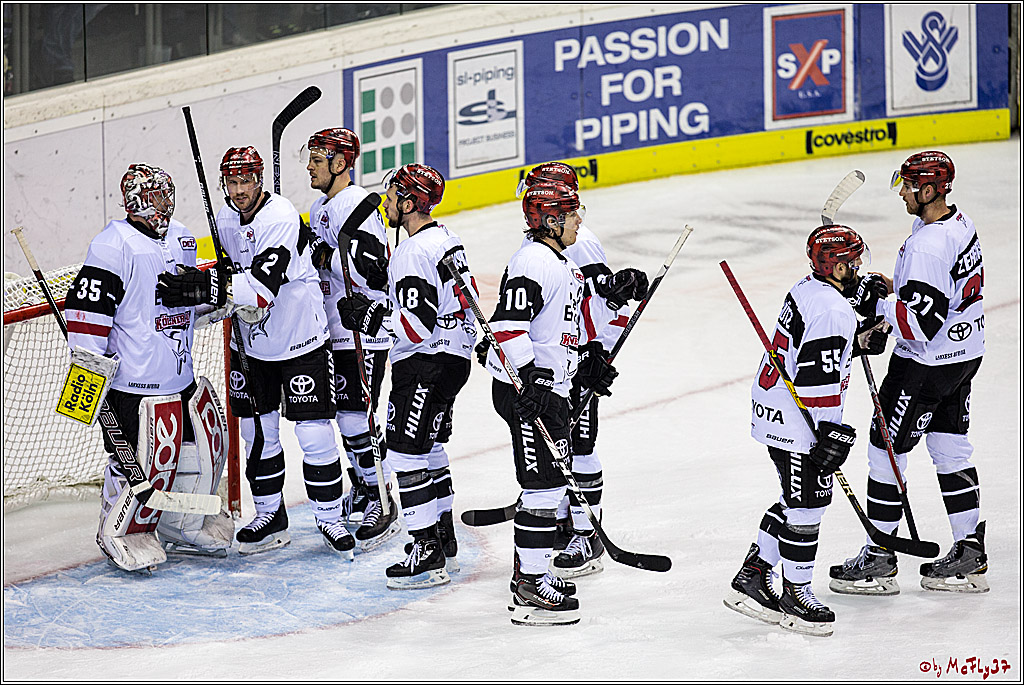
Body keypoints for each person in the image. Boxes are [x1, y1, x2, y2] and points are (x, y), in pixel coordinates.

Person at [157, 146, 351, 558]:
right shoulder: (225, 217)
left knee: (313, 432)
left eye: (247, 181)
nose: (240, 190)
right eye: (232, 182)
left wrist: (208, 289)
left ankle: (330, 518)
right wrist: (204, 293)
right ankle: (269, 516)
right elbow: (230, 282)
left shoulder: (279, 216)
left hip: (299, 336)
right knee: (256, 434)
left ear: (260, 180)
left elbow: (262, 290)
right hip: (251, 343)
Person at [482, 181, 643, 626]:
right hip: (527, 392)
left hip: (548, 389)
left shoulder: (559, 262)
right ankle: (530, 587)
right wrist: (531, 381)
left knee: (549, 484)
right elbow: (506, 328)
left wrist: (589, 355)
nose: (579, 220)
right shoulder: (534, 263)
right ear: (552, 220)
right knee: (543, 488)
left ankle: (529, 573)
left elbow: (560, 328)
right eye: (572, 214)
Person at [830, 151, 989, 595]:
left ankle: (879, 559)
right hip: (964, 354)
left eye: (908, 185)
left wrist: (875, 304)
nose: (902, 191)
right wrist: (894, 289)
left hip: (924, 364)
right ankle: (969, 551)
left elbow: (921, 324)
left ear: (931, 190)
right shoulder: (957, 224)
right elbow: (940, 290)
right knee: (950, 448)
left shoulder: (927, 244)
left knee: (885, 452)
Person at [723, 224, 887, 637]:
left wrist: (859, 337)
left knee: (793, 498)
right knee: (808, 506)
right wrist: (831, 432)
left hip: (778, 409)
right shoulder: (831, 309)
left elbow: (818, 348)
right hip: (799, 420)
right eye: (852, 261)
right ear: (835, 265)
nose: (858, 267)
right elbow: (816, 383)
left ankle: (754, 575)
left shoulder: (811, 289)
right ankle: (796, 595)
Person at [66, 163, 231, 572]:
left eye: (166, 194)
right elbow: (87, 319)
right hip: (133, 382)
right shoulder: (111, 245)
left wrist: (208, 293)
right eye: (154, 196)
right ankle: (118, 531)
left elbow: (191, 304)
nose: (164, 204)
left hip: (179, 374)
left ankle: (183, 524)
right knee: (137, 462)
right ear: (135, 201)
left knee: (202, 453)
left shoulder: (181, 238)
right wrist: (88, 387)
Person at [337, 163, 476, 588]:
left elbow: (416, 324)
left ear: (411, 202)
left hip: (426, 363)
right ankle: (443, 539)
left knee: (405, 455)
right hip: (454, 359)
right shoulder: (446, 239)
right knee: (430, 449)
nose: (388, 202)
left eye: (395, 195)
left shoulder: (414, 250)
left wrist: (369, 317)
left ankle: (425, 551)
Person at [509, 162, 648, 579]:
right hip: (566, 359)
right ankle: (569, 522)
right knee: (564, 449)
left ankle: (585, 534)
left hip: (576, 361)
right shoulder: (545, 246)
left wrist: (597, 355)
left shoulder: (578, 242)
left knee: (579, 445)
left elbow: (604, 302)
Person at [304, 127, 399, 552]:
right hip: (332, 328)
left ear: (340, 164)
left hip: (362, 330)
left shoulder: (358, 205)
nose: (309, 166)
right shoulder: (320, 205)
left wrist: (324, 255)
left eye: (317, 160)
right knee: (345, 415)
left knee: (356, 416)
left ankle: (380, 494)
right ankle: (363, 486)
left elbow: (376, 272)